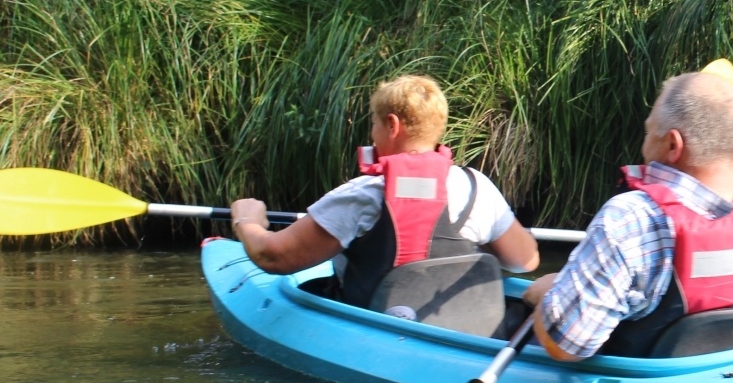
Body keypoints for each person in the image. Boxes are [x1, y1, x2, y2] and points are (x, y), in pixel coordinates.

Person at [522, 62, 733, 360]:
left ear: (674, 144)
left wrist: (544, 295)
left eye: (648, 133)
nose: (644, 143)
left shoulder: (631, 219)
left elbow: (567, 347)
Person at [229, 74, 539, 307]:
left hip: (378, 329)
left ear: (392, 125)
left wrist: (247, 222)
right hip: (460, 331)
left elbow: (273, 258)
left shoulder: (363, 194)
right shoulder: (477, 188)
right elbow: (524, 262)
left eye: (374, 124)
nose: (372, 134)